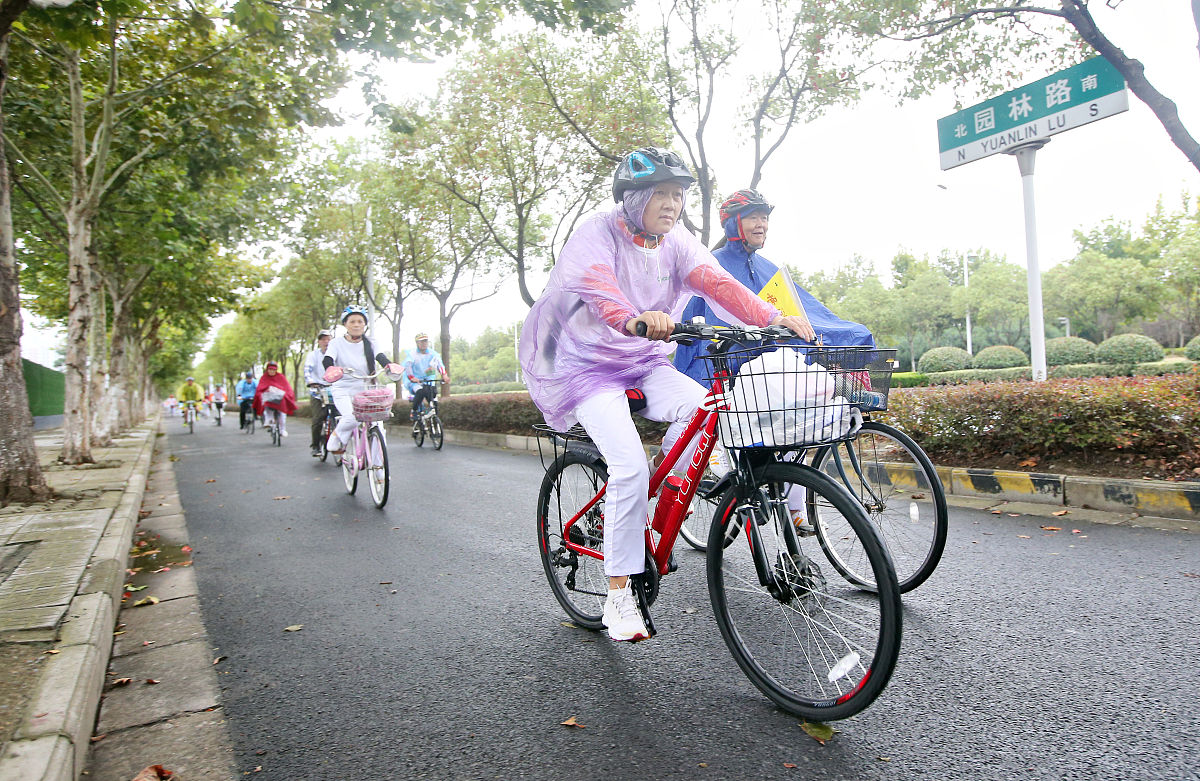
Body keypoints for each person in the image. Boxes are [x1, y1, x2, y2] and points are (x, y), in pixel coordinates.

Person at [519, 148, 813, 643]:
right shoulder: (597, 233)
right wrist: (635, 318)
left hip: (644, 358)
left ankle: (660, 503)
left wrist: (772, 318)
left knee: (710, 410)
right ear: (633, 198)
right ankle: (618, 595)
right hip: (588, 367)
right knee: (630, 466)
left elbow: (716, 282)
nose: (673, 204)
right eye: (662, 193)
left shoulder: (676, 241)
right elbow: (598, 289)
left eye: (679, 194)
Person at [673, 188, 874, 529]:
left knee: (797, 429)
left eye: (765, 217)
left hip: (767, 367)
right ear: (734, 222)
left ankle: (794, 510)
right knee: (693, 428)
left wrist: (848, 333)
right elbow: (694, 315)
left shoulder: (770, 268)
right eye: (753, 216)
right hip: (723, 362)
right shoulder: (711, 264)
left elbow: (804, 312)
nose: (762, 224)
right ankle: (675, 485)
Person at [320, 306, 404, 455]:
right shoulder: (336, 343)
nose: (356, 324)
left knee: (378, 425)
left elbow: (380, 356)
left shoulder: (371, 342)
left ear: (364, 324)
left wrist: (389, 365)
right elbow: (328, 359)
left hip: (367, 389)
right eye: (352, 321)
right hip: (343, 388)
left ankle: (379, 473)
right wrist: (331, 369)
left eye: (360, 321)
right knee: (352, 418)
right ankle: (337, 435)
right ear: (345, 324)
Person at [403, 332, 449, 422]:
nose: (424, 344)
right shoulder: (412, 354)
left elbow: (440, 364)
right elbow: (408, 367)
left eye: (425, 341)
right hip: (415, 381)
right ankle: (414, 411)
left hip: (428, 380)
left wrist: (444, 375)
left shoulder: (433, 354)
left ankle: (434, 422)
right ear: (417, 343)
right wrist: (412, 377)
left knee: (433, 398)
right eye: (421, 342)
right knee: (420, 392)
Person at [304, 329, 334, 457]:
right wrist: (310, 381)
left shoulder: (336, 353)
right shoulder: (313, 355)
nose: (326, 342)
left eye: (328, 339)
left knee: (340, 417)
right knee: (317, 419)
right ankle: (315, 446)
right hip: (318, 391)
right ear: (319, 342)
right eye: (323, 339)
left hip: (334, 390)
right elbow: (307, 369)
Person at [253, 361, 297, 437]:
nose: (271, 371)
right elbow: (260, 388)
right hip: (268, 398)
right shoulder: (264, 377)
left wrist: (285, 392)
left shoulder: (281, 377)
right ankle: (268, 419)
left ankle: (282, 429)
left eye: (273, 370)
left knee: (282, 414)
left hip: (280, 398)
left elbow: (287, 387)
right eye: (270, 369)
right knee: (263, 399)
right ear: (267, 369)